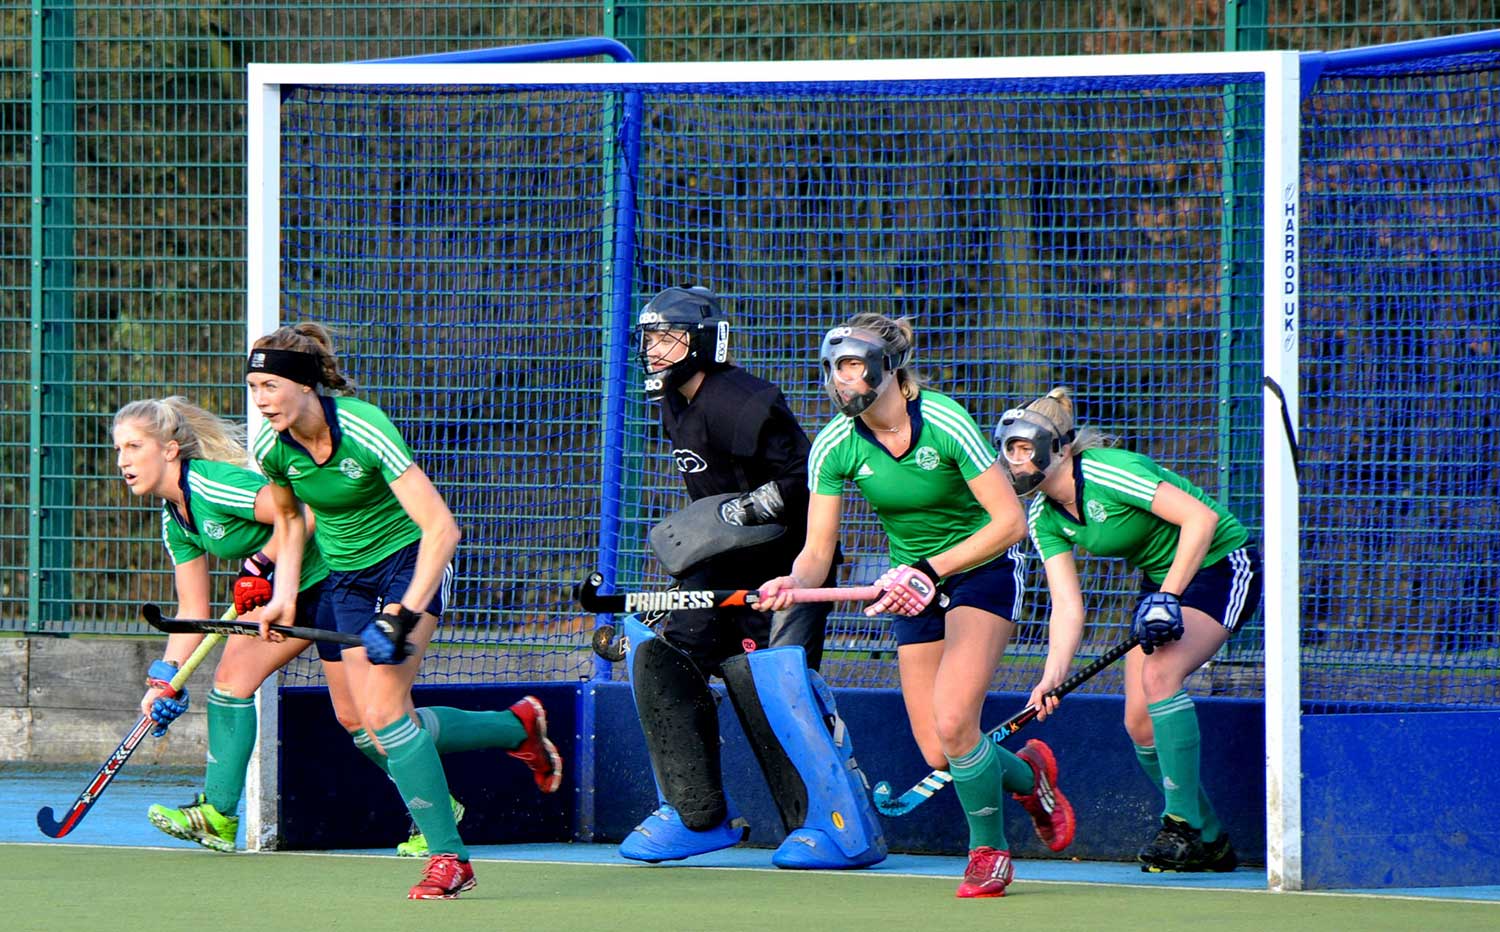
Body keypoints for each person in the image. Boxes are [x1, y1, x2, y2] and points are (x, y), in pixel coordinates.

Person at [759, 313, 1075, 898]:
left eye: (852, 365)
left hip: (981, 571)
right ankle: (1031, 776)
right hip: (914, 586)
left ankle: (989, 854)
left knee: (957, 723)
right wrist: (792, 583)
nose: (839, 380)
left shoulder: (946, 421)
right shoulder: (834, 445)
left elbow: (1009, 524)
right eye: (832, 368)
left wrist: (929, 571)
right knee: (939, 748)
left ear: (888, 369)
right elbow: (816, 551)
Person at [247, 322, 562, 899]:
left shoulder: (365, 427)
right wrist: (283, 595)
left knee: (388, 712)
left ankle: (450, 858)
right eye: (254, 388)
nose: (261, 400)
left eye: (270, 386)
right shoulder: (272, 447)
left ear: (305, 385)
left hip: (407, 561)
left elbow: (442, 528)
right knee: (359, 722)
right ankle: (516, 725)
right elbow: (291, 521)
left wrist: (403, 612)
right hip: (344, 575)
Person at [619, 286, 885, 870]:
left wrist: (753, 506)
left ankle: (833, 826)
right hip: (719, 571)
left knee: (772, 686)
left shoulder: (747, 402)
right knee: (663, 658)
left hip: (784, 572)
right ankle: (698, 816)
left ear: (704, 343)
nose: (655, 349)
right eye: (650, 337)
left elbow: (804, 477)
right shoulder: (669, 399)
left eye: (669, 338)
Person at [997, 386, 1261, 873]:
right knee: (1139, 722)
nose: (1014, 461)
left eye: (1023, 448)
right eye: (1007, 449)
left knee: (1160, 676)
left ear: (1057, 447)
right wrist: (1052, 675)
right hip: (1162, 584)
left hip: (1220, 564)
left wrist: (1168, 596)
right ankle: (1209, 841)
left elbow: (1200, 521)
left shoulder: (1108, 470)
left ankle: (1179, 824)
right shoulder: (1042, 515)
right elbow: (1067, 607)